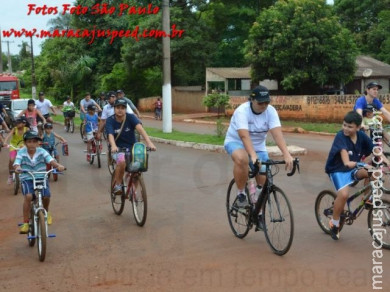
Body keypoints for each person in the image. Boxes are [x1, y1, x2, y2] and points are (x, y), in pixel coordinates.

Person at [224, 86, 293, 226]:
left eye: (266, 102)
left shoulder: (271, 111)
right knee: (243, 159)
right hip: (236, 142)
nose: (264, 106)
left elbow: (277, 134)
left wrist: (286, 154)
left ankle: (258, 213)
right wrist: (253, 157)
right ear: (252, 99)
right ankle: (241, 193)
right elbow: (244, 136)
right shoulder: (242, 111)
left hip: (259, 147)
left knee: (263, 179)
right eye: (260, 102)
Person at [324, 111, 390, 240]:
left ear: (358, 127)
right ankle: (335, 223)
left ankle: (368, 199)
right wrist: (364, 165)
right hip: (338, 169)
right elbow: (347, 163)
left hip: (354, 168)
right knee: (343, 195)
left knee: (375, 173)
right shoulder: (340, 137)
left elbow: (375, 149)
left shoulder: (361, 136)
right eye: (344, 125)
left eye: (350, 126)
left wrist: (386, 160)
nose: (346, 129)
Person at [14, 131, 65, 234]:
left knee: (46, 196)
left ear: (38, 143)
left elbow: (50, 160)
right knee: (28, 196)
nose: (32, 144)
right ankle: (25, 223)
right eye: (29, 141)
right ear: (25, 143)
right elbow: (17, 163)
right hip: (27, 177)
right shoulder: (21, 152)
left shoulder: (42, 151)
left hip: (42, 177)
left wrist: (58, 165)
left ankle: (46, 212)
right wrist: (17, 167)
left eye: (34, 141)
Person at [106, 98, 156, 195]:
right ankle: (118, 185)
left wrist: (149, 143)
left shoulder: (131, 117)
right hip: (117, 149)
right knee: (121, 161)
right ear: (114, 108)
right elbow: (110, 135)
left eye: (123, 108)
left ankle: (133, 190)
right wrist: (113, 146)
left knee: (138, 168)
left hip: (132, 149)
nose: (120, 110)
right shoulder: (110, 120)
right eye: (118, 107)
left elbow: (140, 130)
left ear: (126, 109)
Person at [3, 117, 30, 184]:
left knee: (27, 158)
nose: (17, 124)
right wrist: (5, 142)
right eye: (16, 123)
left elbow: (30, 137)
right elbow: (8, 136)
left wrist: (26, 144)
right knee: (12, 160)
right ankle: (10, 175)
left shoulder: (27, 129)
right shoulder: (14, 129)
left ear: (24, 124)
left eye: (19, 123)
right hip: (14, 146)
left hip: (23, 146)